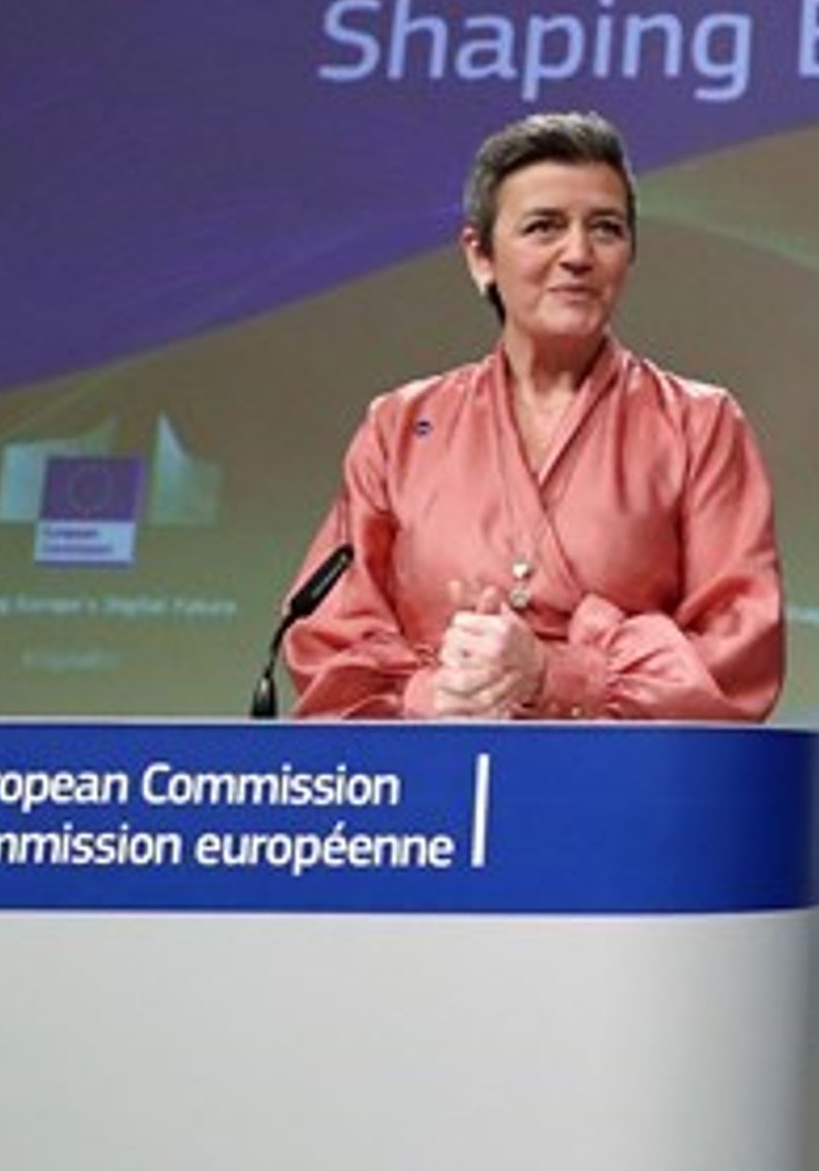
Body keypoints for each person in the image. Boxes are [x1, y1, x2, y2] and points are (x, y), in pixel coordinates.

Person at [285, 111, 785, 721]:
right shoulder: (400, 427)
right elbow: (329, 638)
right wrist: (431, 694)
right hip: (434, 769)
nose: (578, 254)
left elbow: (740, 652)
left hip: (619, 775)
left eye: (606, 229)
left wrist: (557, 676)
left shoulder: (700, 424)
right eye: (544, 227)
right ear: (480, 257)